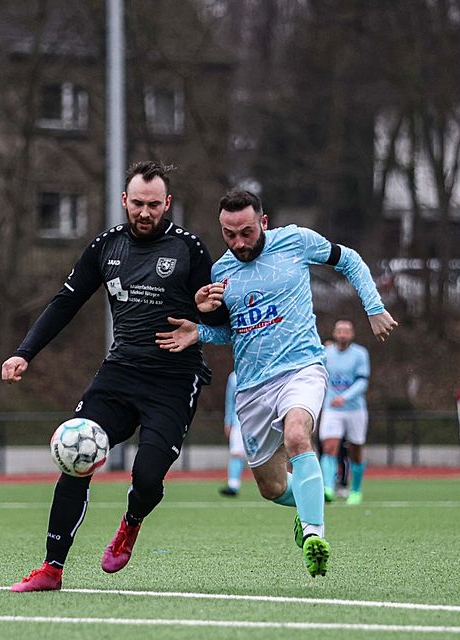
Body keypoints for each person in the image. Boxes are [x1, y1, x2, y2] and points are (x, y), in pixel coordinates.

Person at [1, 161, 223, 592]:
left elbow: (220, 316)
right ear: (124, 200)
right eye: (137, 203)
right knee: (74, 456)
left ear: (167, 204)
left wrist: (204, 308)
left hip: (174, 381)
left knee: (147, 477)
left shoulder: (190, 249)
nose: (144, 212)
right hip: (119, 374)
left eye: (153, 205)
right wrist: (24, 352)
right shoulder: (105, 247)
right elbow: (64, 304)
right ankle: (51, 568)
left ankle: (132, 521)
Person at [157, 189, 397, 577]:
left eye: (246, 232)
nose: (238, 242)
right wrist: (199, 329)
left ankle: (316, 534)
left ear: (263, 223)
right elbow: (232, 333)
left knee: (298, 436)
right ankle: (305, 510)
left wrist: (374, 306)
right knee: (270, 487)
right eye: (229, 234)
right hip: (253, 388)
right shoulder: (220, 273)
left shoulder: (296, 242)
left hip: (302, 367)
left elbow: (348, 259)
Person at [319, 319, 371, 505]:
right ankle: (328, 488)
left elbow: (362, 381)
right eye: (339, 330)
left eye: (346, 331)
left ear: (352, 334)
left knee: (355, 451)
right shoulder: (326, 353)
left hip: (355, 409)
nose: (343, 334)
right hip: (332, 409)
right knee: (329, 448)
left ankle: (355, 489)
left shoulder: (360, 354)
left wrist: (345, 397)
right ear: (334, 333)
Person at [219, 370, 247, 496]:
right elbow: (230, 400)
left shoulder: (262, 370)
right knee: (236, 453)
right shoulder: (234, 376)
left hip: (259, 420)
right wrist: (228, 421)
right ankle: (233, 485)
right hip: (238, 421)